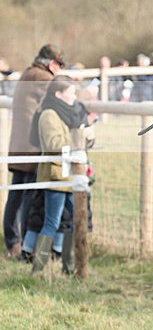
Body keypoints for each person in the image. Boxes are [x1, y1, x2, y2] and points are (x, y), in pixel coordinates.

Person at [3, 44, 65, 259]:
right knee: (29, 195)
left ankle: (12, 242)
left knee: (16, 194)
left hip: (18, 145)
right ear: (51, 63)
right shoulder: (43, 78)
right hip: (32, 146)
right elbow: (63, 90)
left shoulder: (27, 74)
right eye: (58, 64)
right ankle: (23, 244)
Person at [31, 76, 95, 275]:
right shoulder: (49, 114)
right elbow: (53, 144)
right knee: (52, 221)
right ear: (59, 94)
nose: (75, 96)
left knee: (75, 221)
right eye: (71, 92)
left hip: (72, 176)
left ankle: (70, 267)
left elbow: (77, 141)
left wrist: (88, 138)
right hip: (56, 176)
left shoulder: (72, 113)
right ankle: (37, 269)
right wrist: (80, 134)